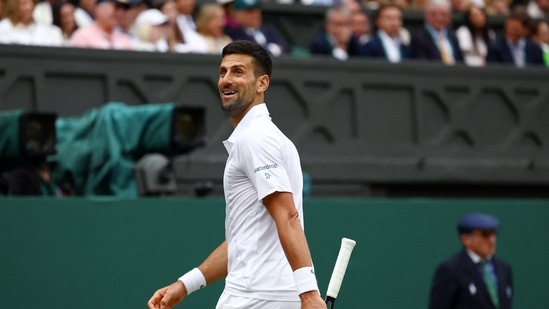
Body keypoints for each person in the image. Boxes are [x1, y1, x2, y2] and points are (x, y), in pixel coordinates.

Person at [147, 40, 326, 309]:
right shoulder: (257, 137)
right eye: (223, 72)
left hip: (257, 297)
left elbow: (288, 217)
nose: (226, 80)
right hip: (260, 293)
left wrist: (310, 295)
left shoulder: (256, 139)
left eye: (238, 72)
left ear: (261, 83)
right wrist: (185, 285)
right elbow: (242, 242)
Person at [428, 213, 513, 309]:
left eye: (493, 233)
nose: (492, 240)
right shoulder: (450, 269)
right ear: (466, 239)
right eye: (485, 235)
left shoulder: (504, 268)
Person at [225, 0, 291, 56]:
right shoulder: (235, 33)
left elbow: (286, 47)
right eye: (250, 12)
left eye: (257, 11)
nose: (255, 15)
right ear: (239, 15)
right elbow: (252, 53)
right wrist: (273, 49)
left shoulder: (270, 30)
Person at [410, 0, 464, 65]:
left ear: (449, 17)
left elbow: (461, 61)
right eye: (434, 14)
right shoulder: (418, 37)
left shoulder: (453, 36)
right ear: (426, 16)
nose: (439, 18)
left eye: (443, 14)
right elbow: (421, 65)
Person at [70, 0, 134, 50]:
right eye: (116, 8)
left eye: (123, 9)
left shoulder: (123, 38)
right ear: (99, 9)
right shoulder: (83, 37)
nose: (119, 13)